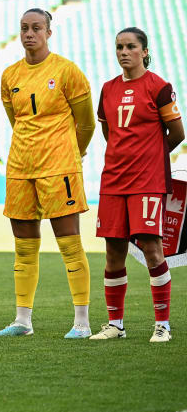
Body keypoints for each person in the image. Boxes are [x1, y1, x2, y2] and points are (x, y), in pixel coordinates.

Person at [0, 9, 96, 338]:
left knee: (70, 243)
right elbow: (16, 121)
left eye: (36, 28)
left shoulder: (67, 71)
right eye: (24, 28)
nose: (29, 33)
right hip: (21, 168)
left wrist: (72, 153)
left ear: (49, 32)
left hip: (59, 167)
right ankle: (22, 321)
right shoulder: (10, 76)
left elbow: (87, 123)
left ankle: (82, 321)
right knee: (23, 247)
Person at [90, 28, 184, 343]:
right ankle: (115, 325)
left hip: (147, 181)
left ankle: (163, 325)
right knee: (113, 252)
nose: (124, 52)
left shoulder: (159, 87)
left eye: (131, 46)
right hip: (113, 181)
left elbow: (177, 133)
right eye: (119, 47)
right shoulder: (107, 89)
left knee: (153, 250)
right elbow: (109, 135)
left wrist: (150, 157)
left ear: (144, 51)